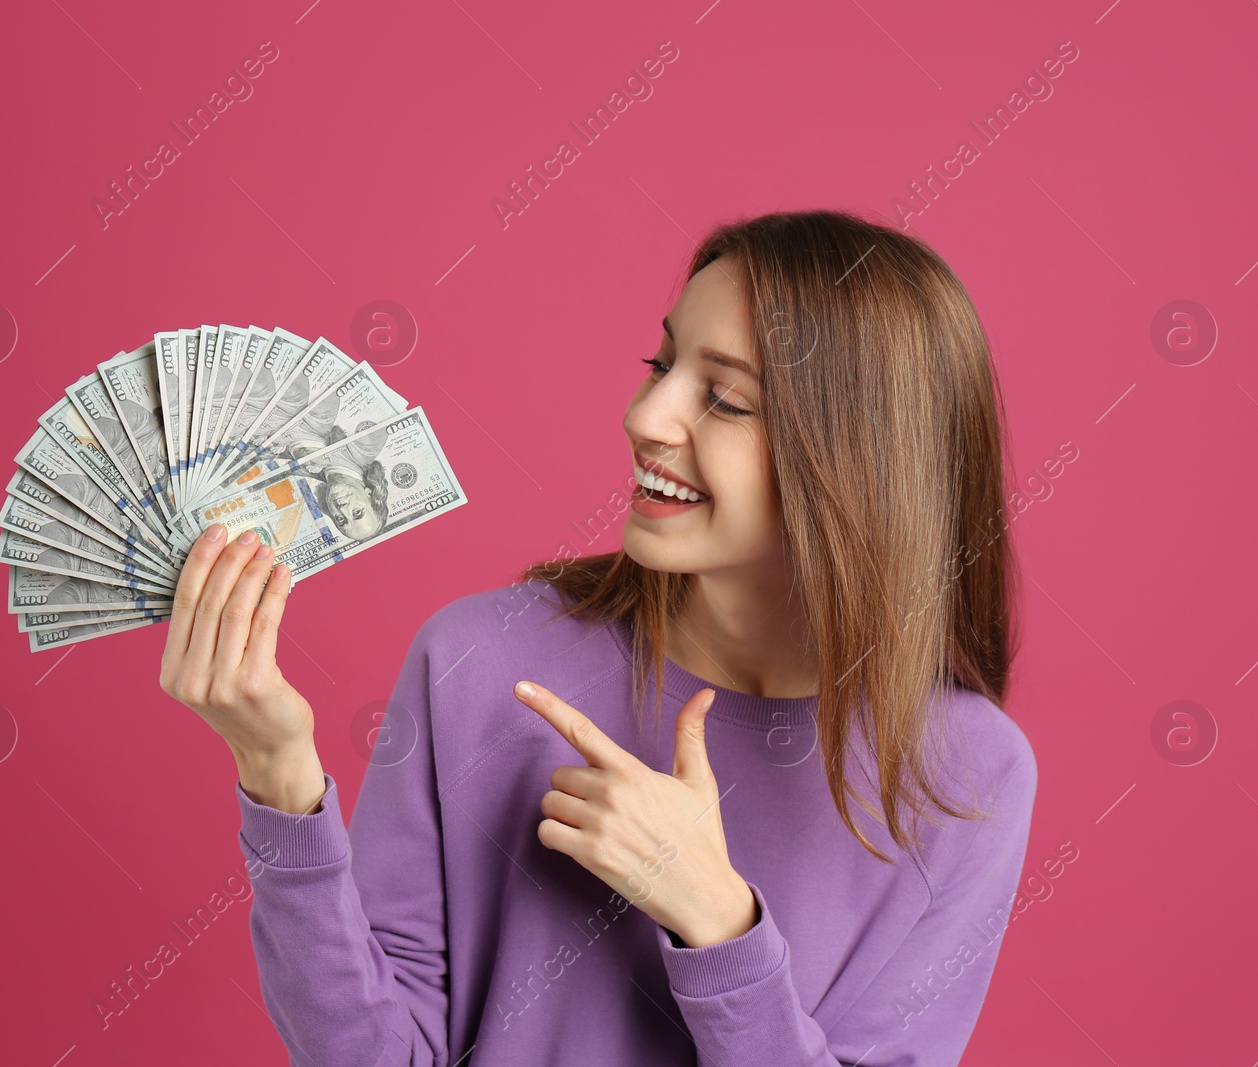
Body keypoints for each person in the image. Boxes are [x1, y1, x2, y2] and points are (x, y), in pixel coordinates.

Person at [158, 209, 1037, 1066]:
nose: (647, 415)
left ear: (864, 459)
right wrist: (278, 777)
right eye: (661, 364)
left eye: (725, 399)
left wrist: (719, 924)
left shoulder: (967, 774)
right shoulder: (479, 660)